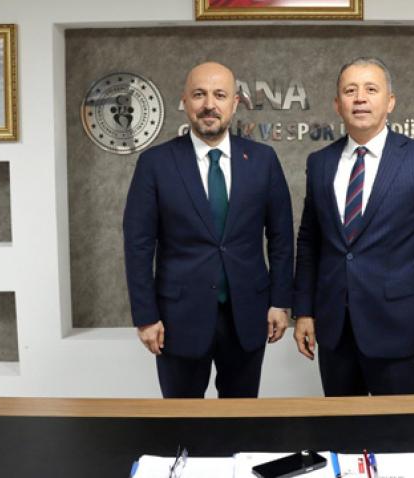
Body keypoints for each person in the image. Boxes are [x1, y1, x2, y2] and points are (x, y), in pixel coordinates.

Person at [123, 61, 294, 398]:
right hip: (177, 319)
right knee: (183, 420)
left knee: (240, 418)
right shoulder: (155, 164)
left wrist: (280, 301)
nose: (209, 104)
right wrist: (145, 316)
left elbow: (281, 238)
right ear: (185, 101)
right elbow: (138, 245)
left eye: (220, 95)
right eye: (199, 94)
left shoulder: (263, 160)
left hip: (247, 314)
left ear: (235, 103)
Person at [293, 57, 414, 396]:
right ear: (337, 104)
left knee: (398, 428)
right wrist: (304, 312)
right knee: (342, 425)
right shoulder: (320, 162)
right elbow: (310, 243)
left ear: (390, 102)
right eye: (350, 91)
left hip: (399, 330)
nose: (360, 98)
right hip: (335, 332)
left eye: (371, 89)